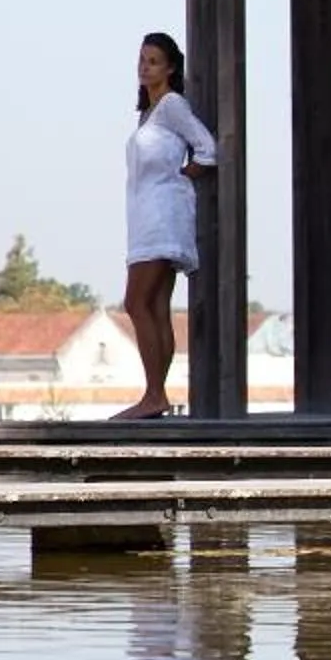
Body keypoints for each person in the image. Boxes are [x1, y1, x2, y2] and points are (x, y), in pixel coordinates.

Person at [119, 33, 217, 421]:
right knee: (156, 306)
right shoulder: (149, 112)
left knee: (136, 302)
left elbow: (208, 147)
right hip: (143, 215)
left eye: (154, 61)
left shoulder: (173, 105)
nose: (145, 67)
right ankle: (156, 394)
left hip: (162, 214)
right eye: (142, 60)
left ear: (170, 68)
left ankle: (154, 394)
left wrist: (184, 176)